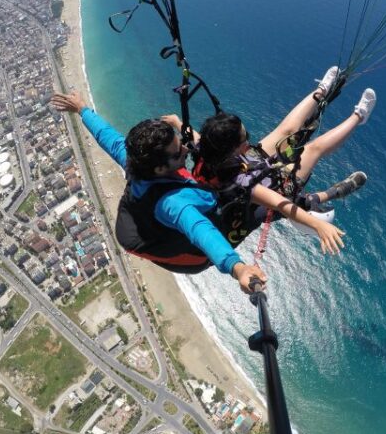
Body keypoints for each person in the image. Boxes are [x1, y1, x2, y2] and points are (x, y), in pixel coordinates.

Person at [49, 91, 266, 293]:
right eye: (177, 151)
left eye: (180, 143)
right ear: (160, 169)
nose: (186, 149)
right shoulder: (173, 203)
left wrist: (82, 109)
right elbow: (201, 231)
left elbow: (108, 137)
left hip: (156, 228)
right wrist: (237, 268)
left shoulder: (138, 164)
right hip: (193, 257)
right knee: (254, 211)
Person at [164, 66, 375, 249]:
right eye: (244, 138)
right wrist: (318, 225)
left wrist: (177, 121)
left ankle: (321, 91)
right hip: (275, 185)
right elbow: (279, 203)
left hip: (249, 163)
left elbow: (198, 138)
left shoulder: (208, 150)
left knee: (287, 129)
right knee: (313, 149)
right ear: (231, 149)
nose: (248, 140)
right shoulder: (240, 184)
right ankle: (359, 117)